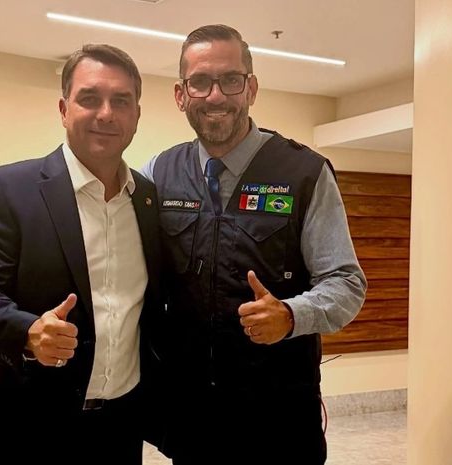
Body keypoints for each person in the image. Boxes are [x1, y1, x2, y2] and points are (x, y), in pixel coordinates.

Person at [141, 24, 367, 464]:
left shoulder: (304, 173)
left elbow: (346, 282)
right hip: (191, 421)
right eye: (200, 82)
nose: (216, 96)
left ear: (251, 88)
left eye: (230, 79)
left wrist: (291, 314)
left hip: (278, 420)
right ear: (181, 95)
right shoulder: (158, 173)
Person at [0, 44, 163, 465]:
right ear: (64, 109)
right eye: (90, 98)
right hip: (28, 429)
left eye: (121, 101)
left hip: (121, 428)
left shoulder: (147, 198)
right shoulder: (7, 189)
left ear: (137, 115)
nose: (106, 113)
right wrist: (28, 332)